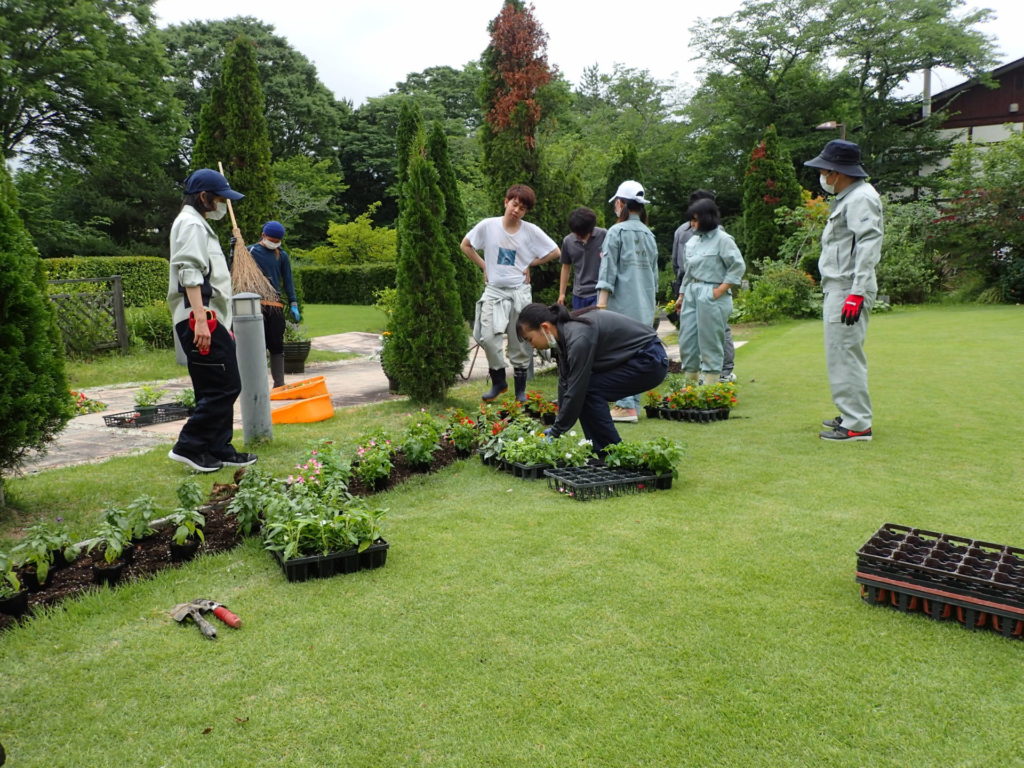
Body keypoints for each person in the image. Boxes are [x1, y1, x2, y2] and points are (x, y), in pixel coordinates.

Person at [166, 169, 256, 472]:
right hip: (201, 316)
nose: (221, 205)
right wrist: (202, 320)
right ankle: (189, 446)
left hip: (211, 315)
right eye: (219, 199)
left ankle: (218, 447)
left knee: (213, 385)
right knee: (225, 386)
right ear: (203, 197)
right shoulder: (190, 224)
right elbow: (189, 272)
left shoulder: (197, 224)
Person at [804, 139, 883, 442]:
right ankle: (851, 413)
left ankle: (858, 424)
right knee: (841, 352)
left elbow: (868, 244)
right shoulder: (849, 197)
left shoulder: (860, 198)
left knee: (844, 354)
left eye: (825, 169)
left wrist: (857, 291)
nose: (823, 175)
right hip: (843, 287)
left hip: (848, 288)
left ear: (838, 172)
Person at [516, 303, 668, 454]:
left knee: (587, 390)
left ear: (545, 327)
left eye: (529, 339)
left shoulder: (578, 338)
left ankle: (610, 453)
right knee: (586, 391)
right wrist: (558, 425)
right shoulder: (564, 334)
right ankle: (604, 452)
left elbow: (576, 389)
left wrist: (557, 431)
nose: (532, 346)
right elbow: (565, 383)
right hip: (638, 358)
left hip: (650, 361)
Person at [461, 184, 560, 402]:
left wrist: (530, 264)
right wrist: (484, 266)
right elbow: (466, 245)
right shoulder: (488, 226)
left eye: (522, 208)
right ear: (506, 202)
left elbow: (555, 251)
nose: (517, 210)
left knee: (520, 340)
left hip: (519, 292)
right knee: (486, 337)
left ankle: (520, 392)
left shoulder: (531, 231)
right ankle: (499, 382)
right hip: (494, 291)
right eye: (515, 204)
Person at [595, 180, 659, 423]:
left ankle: (625, 407)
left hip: (620, 306)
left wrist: (600, 305)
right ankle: (633, 405)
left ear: (620, 203)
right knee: (638, 354)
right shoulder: (648, 234)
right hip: (644, 305)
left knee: (619, 354)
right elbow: (653, 275)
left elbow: (607, 271)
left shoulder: (616, 231)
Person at [674, 198, 745, 385]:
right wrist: (681, 295)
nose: (692, 224)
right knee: (687, 340)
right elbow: (687, 272)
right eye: (691, 219)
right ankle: (690, 388)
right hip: (691, 292)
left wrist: (720, 290)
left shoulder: (723, 240)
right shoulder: (692, 243)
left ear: (707, 218)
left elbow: (737, 266)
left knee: (710, 342)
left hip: (712, 293)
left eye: (696, 220)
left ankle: (711, 389)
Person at [247, 220, 300, 388]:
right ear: (263, 235)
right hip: (255, 304)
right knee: (258, 345)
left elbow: (288, 280)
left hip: (274, 304)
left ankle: (280, 384)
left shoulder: (282, 255)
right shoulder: (250, 251)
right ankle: (258, 385)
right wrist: (234, 252)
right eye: (272, 239)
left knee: (276, 344)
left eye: (277, 241)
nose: (274, 243)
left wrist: (293, 303)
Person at [558, 207, 606, 310]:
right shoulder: (568, 241)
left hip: (599, 291)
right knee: (580, 324)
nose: (580, 236)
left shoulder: (604, 235)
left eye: (583, 234)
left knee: (596, 324)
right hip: (579, 294)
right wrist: (562, 293)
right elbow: (566, 267)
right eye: (577, 234)